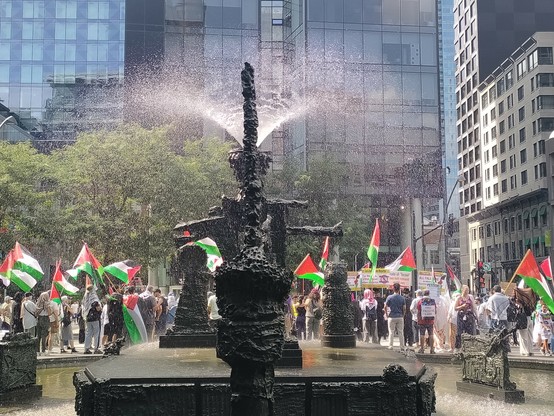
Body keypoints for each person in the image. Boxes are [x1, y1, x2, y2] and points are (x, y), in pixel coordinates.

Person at [384, 283, 406, 351]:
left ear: (393, 289)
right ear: (399, 289)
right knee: (401, 332)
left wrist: (387, 315)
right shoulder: (402, 298)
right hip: (400, 316)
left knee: (391, 332)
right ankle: (402, 346)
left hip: (391, 316)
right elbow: (404, 308)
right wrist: (403, 315)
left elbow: (385, 306)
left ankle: (390, 346)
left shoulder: (389, 297)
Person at [454, 285, 476, 350]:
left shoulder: (470, 297)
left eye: (468, 290)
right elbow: (455, 308)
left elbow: (473, 307)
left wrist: (476, 316)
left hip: (469, 315)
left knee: (470, 331)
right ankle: (459, 346)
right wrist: (462, 306)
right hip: (461, 315)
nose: (467, 292)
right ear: (462, 290)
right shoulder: (459, 298)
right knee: (459, 331)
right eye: (466, 290)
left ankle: (469, 346)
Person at [82, 284, 101, 354]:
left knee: (88, 333)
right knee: (96, 333)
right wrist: (100, 308)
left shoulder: (85, 297)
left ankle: (86, 348)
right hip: (95, 317)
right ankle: (96, 348)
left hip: (88, 317)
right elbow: (98, 308)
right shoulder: (94, 297)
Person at [417, 289, 437, 354]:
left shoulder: (420, 301)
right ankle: (432, 349)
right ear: (429, 294)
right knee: (431, 334)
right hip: (430, 321)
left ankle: (422, 349)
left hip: (422, 321)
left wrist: (418, 319)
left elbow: (419, 311)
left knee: (422, 334)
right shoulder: (432, 301)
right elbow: (435, 311)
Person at [35, 291, 51, 355]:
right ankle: (43, 350)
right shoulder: (48, 303)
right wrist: (45, 307)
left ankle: (38, 351)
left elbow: (36, 313)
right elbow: (49, 313)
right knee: (43, 335)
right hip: (45, 319)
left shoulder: (37, 303)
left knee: (39, 335)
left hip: (39, 319)